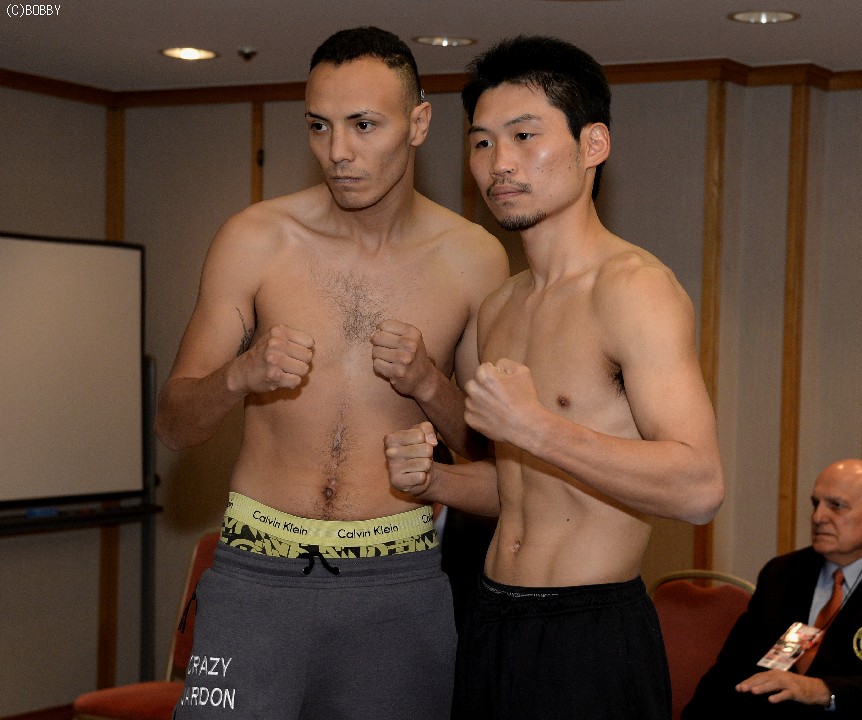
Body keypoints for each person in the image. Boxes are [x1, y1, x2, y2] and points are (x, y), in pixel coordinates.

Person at [154, 26, 508, 720]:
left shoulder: (474, 259)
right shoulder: (256, 239)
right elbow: (173, 425)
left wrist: (429, 383)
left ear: (419, 123)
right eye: (319, 126)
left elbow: (494, 462)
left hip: (398, 587)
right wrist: (240, 375)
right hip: (254, 581)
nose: (338, 151)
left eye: (363, 125)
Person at [384, 35, 724, 719]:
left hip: (589, 633)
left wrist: (536, 427)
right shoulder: (499, 307)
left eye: (524, 136)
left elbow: (698, 488)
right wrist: (436, 484)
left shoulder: (634, 289)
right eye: (482, 143)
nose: (500, 164)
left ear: (593, 144)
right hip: (490, 618)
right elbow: (521, 487)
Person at [683, 459, 862, 719]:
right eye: (816, 504)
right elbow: (730, 671)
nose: (818, 517)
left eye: (836, 506)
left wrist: (824, 691)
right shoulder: (782, 574)